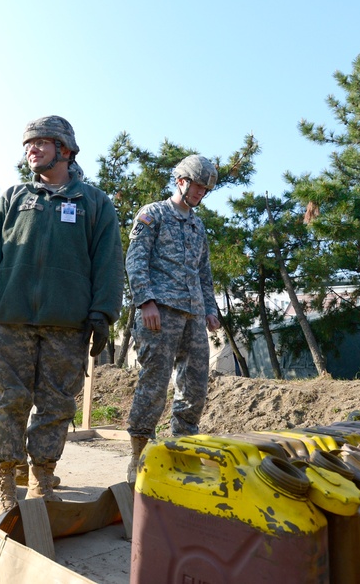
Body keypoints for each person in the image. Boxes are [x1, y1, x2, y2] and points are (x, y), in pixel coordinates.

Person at [0, 115, 124, 517]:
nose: (31, 149)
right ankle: (3, 475)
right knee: (9, 400)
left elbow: (108, 263)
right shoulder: (13, 197)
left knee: (56, 406)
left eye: (41, 142)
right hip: (10, 317)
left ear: (64, 149)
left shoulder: (94, 203)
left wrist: (103, 313)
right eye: (28, 144)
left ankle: (42, 478)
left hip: (66, 324)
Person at [124, 155, 222, 483]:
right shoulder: (154, 213)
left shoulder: (197, 225)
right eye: (197, 185)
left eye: (205, 189)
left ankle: (181, 450)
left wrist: (210, 309)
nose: (200, 193)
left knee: (194, 386)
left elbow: (204, 272)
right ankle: (138, 453)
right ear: (180, 181)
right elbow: (136, 259)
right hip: (159, 312)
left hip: (193, 314)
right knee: (153, 382)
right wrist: (146, 301)